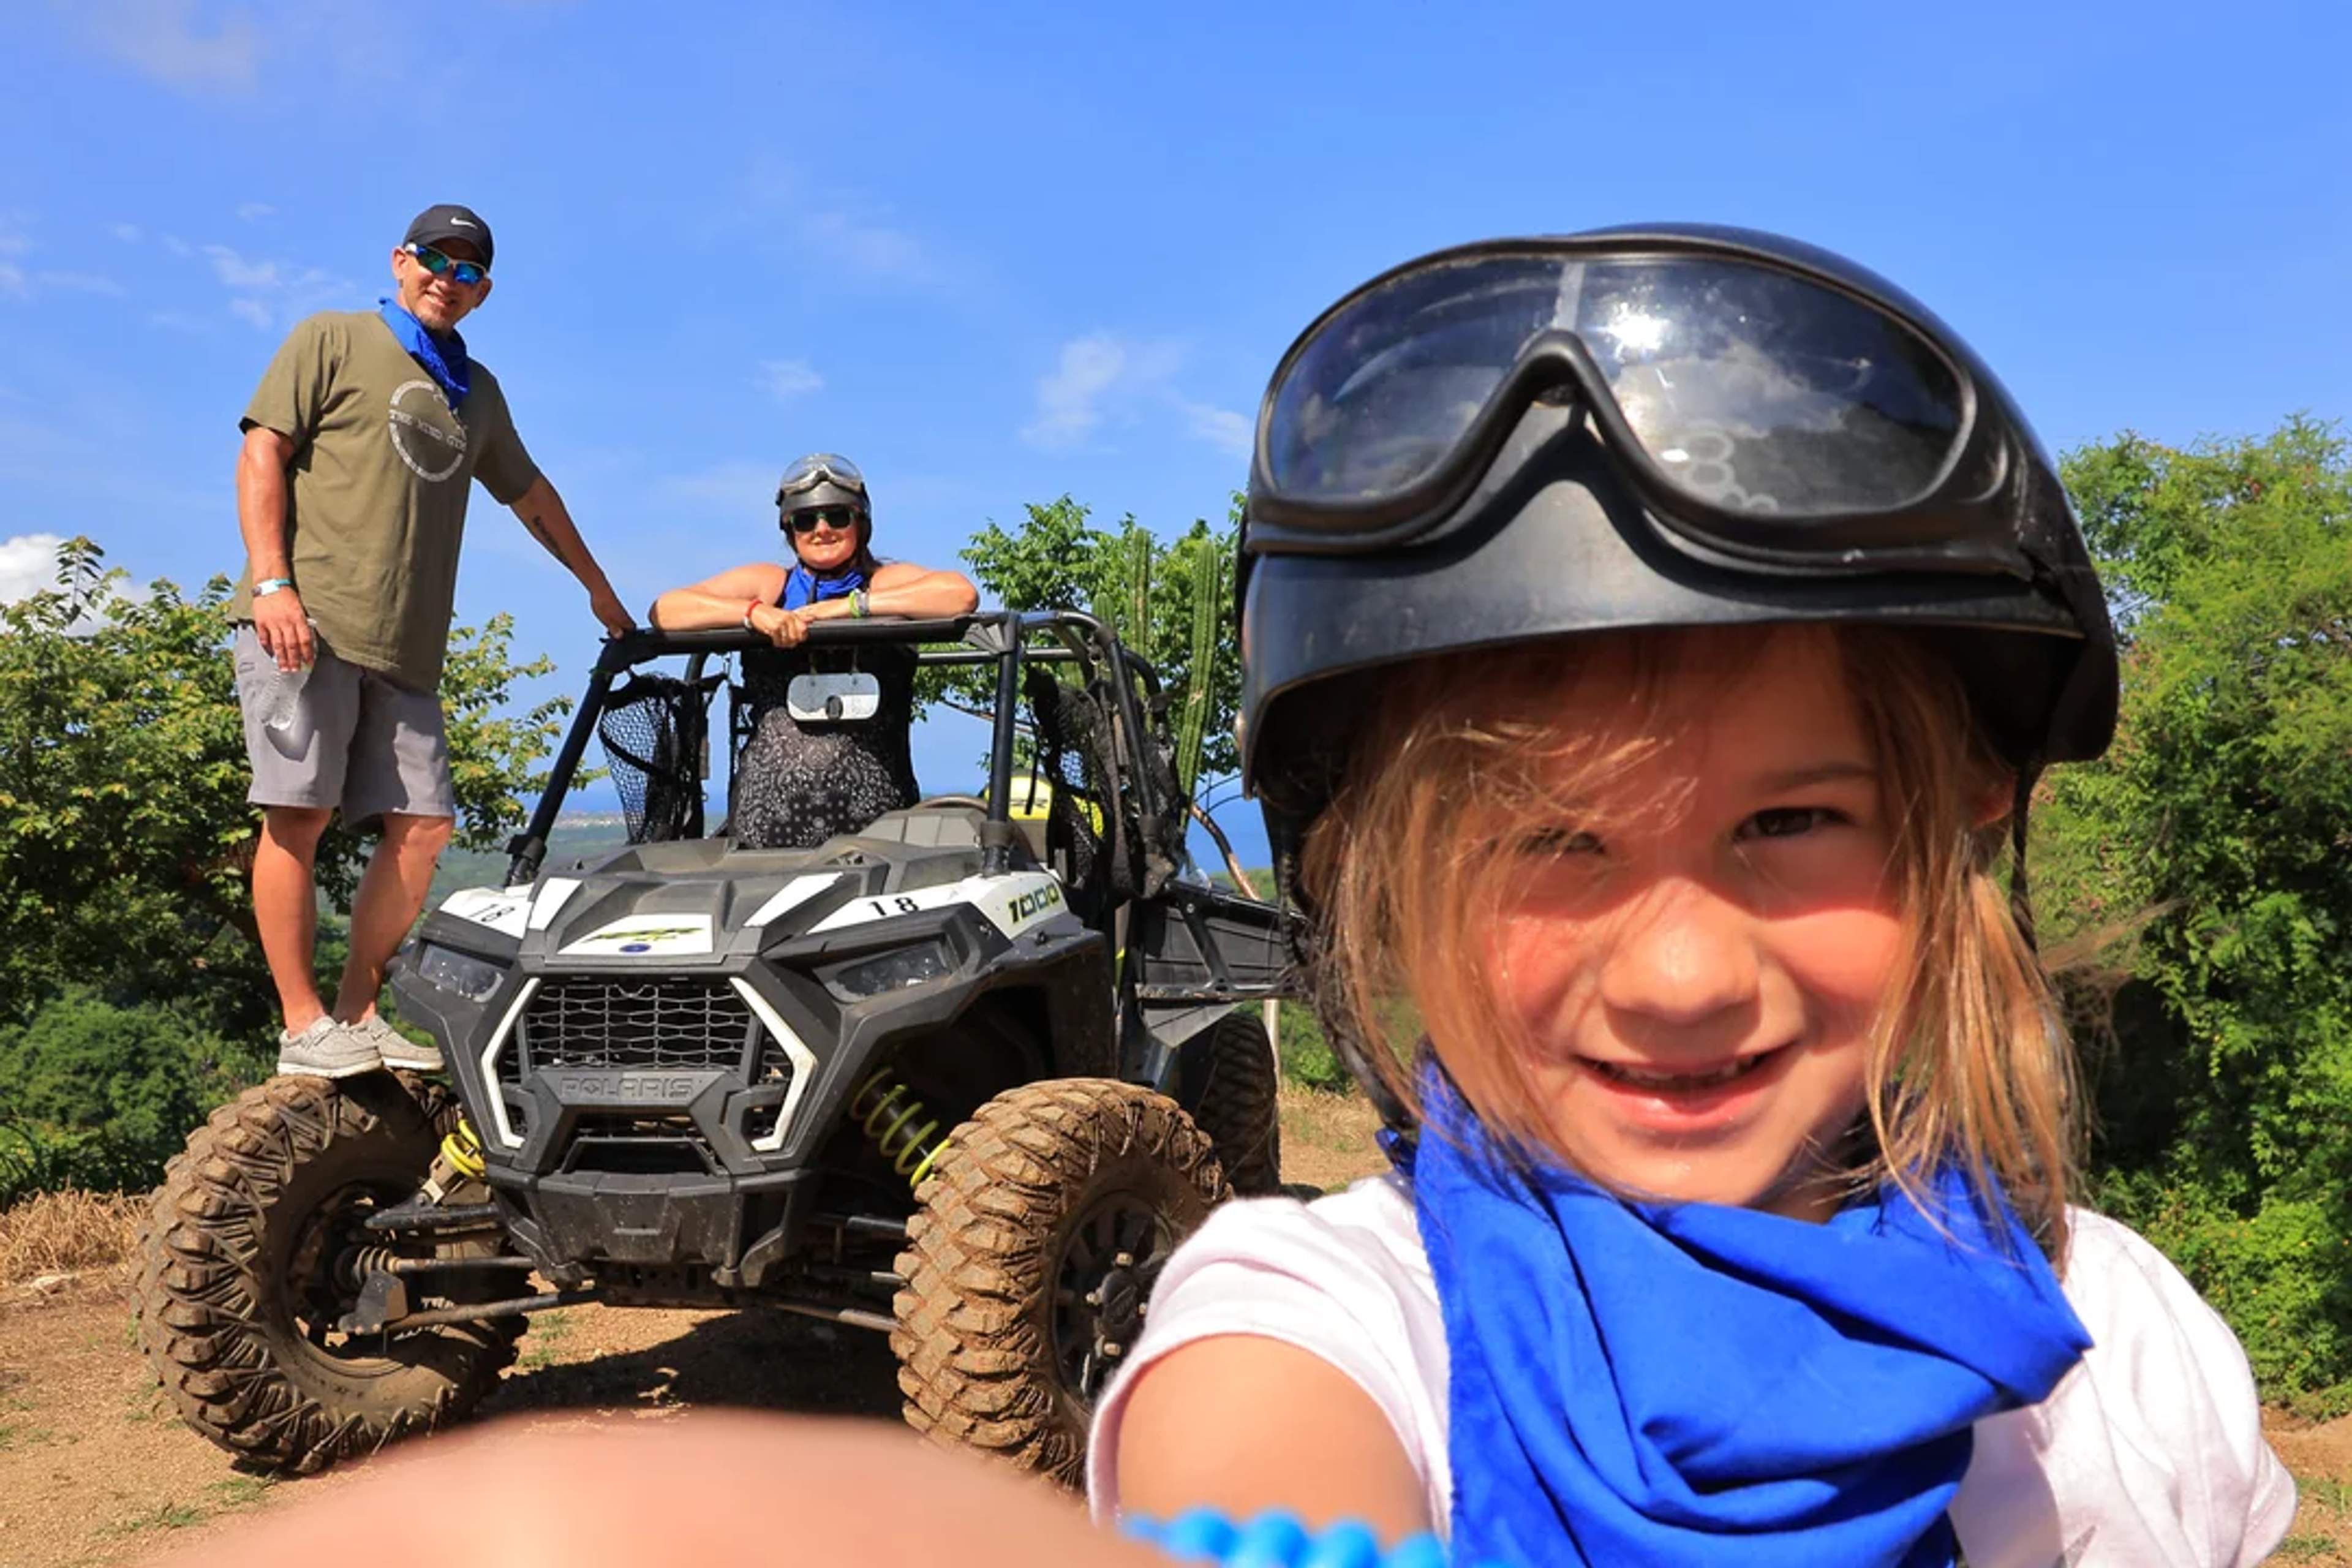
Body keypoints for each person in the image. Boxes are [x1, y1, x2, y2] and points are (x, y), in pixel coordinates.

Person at [1089, 228, 2298, 1565]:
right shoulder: (1334, 1320)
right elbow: (1261, 1466)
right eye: (1553, 840)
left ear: (1959, 819)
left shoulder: (2129, 1356)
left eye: (1791, 821)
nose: (1683, 977)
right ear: (1373, 878)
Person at [233, 203, 635, 1080]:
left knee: (424, 826)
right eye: (432, 261)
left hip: (407, 647)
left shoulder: (476, 391)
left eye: (464, 272)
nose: (444, 281)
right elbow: (263, 451)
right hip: (309, 619)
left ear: (482, 292)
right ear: (399, 260)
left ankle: (357, 1013)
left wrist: (599, 589)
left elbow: (532, 495)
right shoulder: (333, 337)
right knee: (297, 816)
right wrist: (272, 582)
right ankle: (304, 1029)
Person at [649, 453, 979, 848]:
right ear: (790, 531)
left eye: (837, 517)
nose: (821, 530)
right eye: (806, 521)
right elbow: (666, 610)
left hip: (877, 828)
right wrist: (755, 614)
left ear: (861, 523)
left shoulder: (886, 582)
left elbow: (959, 596)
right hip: (765, 821)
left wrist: (847, 608)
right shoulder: (771, 582)